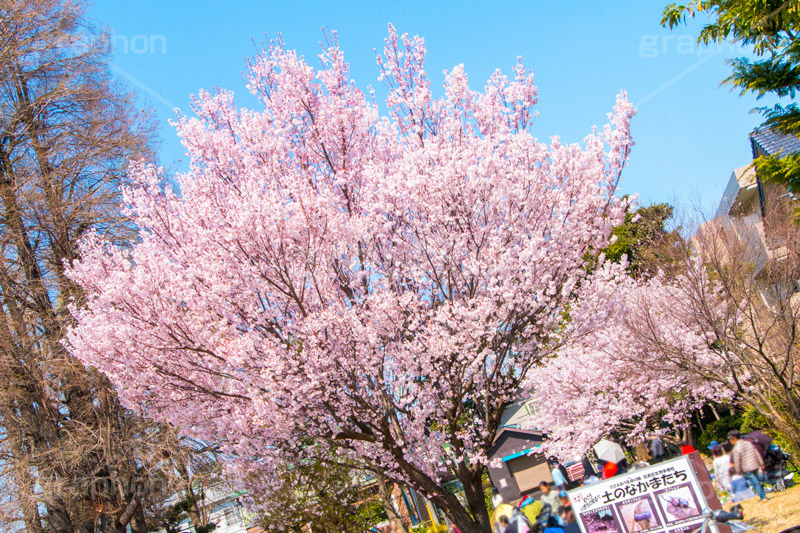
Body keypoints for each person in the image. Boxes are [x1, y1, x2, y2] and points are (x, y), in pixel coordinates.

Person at [728, 430, 767, 502]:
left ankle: (763, 497)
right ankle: (762, 494)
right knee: (757, 481)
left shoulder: (736, 448)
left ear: (734, 439)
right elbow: (756, 453)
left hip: (747, 468)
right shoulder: (747, 443)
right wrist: (761, 463)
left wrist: (738, 471)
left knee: (755, 482)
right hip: (755, 465)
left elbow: (737, 461)